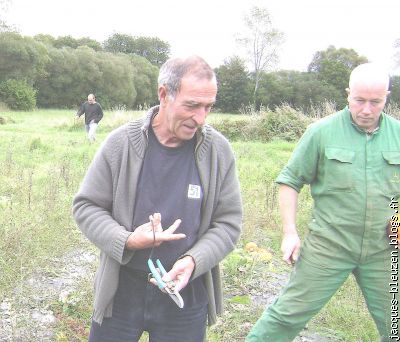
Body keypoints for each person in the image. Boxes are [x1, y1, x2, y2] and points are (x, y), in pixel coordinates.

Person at [72, 56, 242, 342]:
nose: (200, 118)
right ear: (164, 94)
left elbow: (228, 223)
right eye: (191, 105)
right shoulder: (120, 143)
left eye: (208, 107)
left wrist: (193, 260)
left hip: (185, 293)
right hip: (122, 290)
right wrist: (127, 240)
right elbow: (86, 206)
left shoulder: (218, 151)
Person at [246, 63, 400, 341]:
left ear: (386, 97)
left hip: (384, 250)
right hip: (329, 245)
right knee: (287, 315)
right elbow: (289, 181)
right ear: (347, 94)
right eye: (359, 100)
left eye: (375, 102)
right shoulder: (321, 132)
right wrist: (290, 232)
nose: (366, 110)